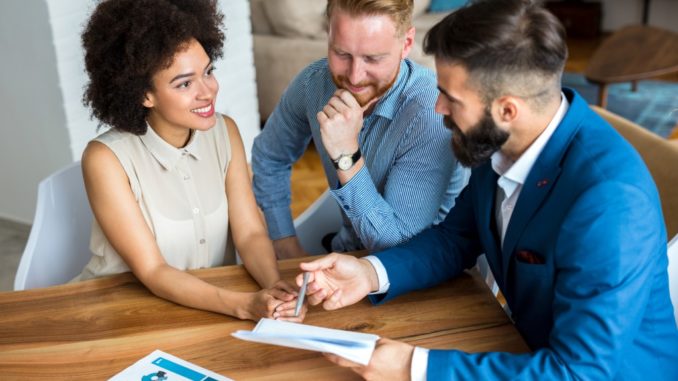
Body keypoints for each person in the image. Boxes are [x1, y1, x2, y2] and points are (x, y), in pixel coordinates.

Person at [297, 0, 678, 379]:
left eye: (452, 98)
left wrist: (412, 367)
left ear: (507, 110)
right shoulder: (501, 140)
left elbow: (579, 373)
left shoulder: (610, 203)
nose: (438, 108)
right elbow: (457, 237)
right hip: (522, 351)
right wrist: (368, 273)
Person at [75, 0, 305, 322]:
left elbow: (250, 232)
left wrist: (275, 287)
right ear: (144, 95)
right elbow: (153, 271)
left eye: (208, 72)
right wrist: (245, 305)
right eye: (184, 83)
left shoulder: (226, 132)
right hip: (120, 313)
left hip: (210, 308)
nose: (207, 91)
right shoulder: (106, 159)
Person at [251, 0, 469, 259]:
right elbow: (269, 157)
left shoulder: (429, 112)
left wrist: (346, 155)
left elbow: (398, 246)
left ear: (407, 44)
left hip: (424, 273)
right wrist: (284, 243)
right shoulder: (314, 83)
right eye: (341, 53)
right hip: (345, 252)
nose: (354, 77)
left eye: (372, 59)